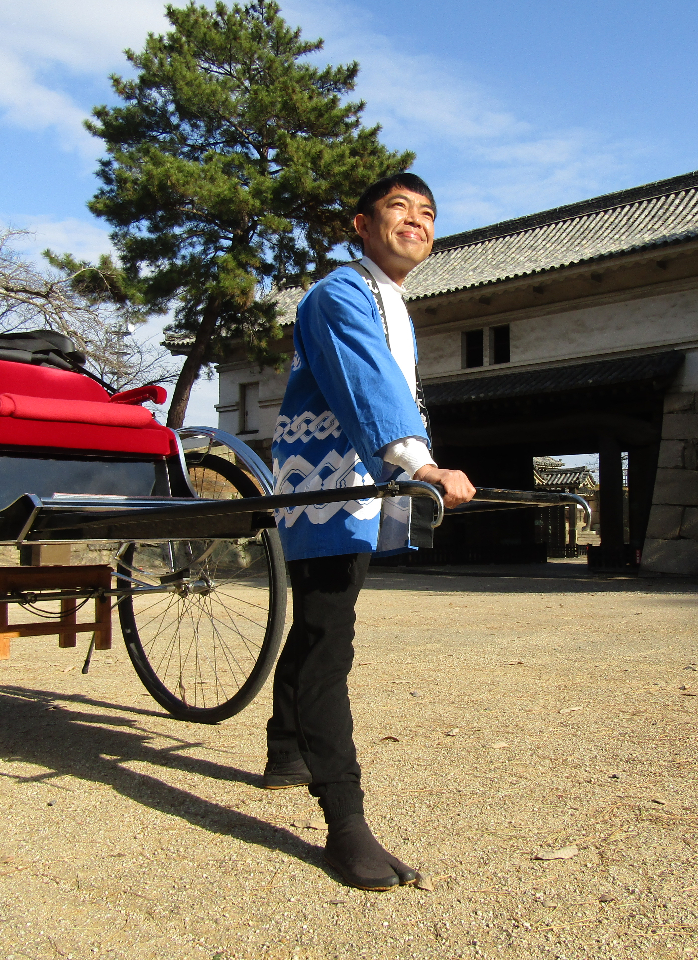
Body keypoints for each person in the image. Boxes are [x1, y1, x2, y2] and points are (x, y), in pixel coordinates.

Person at [264, 173, 475, 891]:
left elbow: (387, 386)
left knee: (326, 622)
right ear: (360, 223)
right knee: (329, 638)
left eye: (427, 213)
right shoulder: (338, 295)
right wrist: (423, 463)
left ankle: (285, 747)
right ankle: (345, 821)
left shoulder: (392, 300)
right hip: (324, 484)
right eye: (398, 210)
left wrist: (411, 466)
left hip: (362, 482)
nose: (415, 222)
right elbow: (368, 385)